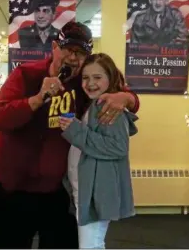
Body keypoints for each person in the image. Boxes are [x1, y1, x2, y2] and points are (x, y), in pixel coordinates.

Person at [0, 21, 140, 249]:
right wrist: (38, 98)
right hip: (12, 190)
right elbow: (1, 117)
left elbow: (121, 91)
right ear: (55, 46)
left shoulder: (83, 83)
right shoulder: (26, 74)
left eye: (80, 53)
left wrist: (127, 99)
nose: (73, 57)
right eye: (68, 49)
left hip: (56, 193)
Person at [59, 53, 137, 249]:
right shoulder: (94, 104)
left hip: (95, 192)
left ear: (110, 78)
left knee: (91, 245)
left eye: (97, 77)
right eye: (86, 78)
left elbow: (117, 147)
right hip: (85, 190)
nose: (90, 83)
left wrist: (74, 130)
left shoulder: (108, 106)